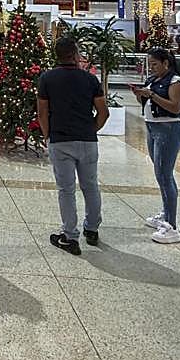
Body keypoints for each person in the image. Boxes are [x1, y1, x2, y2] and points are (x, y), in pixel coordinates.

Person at [37, 35, 109, 256]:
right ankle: (92, 228)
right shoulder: (90, 80)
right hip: (87, 140)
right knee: (91, 186)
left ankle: (70, 235)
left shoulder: (47, 79)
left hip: (60, 140)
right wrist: (91, 129)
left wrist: (48, 136)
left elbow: (42, 113)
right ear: (76, 54)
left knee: (66, 190)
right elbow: (104, 112)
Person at [134, 48, 180, 244]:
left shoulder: (176, 82)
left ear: (166, 63)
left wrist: (152, 95)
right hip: (152, 128)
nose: (152, 67)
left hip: (168, 129)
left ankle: (171, 225)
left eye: (155, 64)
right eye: (150, 64)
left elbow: (175, 107)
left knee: (165, 175)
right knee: (160, 174)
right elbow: (146, 101)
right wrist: (140, 94)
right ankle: (166, 213)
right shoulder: (153, 80)